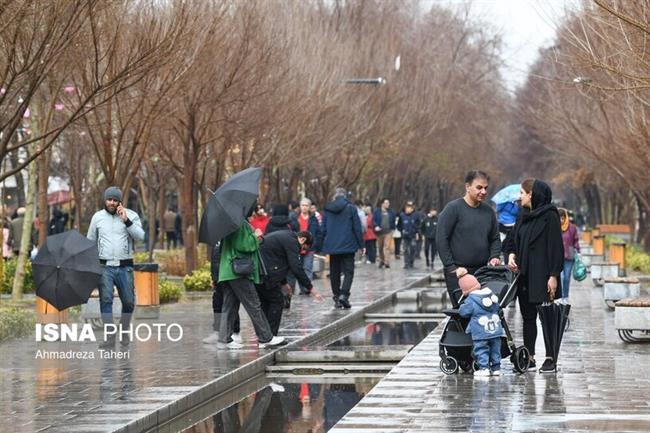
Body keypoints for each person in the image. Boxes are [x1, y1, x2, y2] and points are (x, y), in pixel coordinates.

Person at [505, 178, 564, 373]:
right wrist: (512, 254)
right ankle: (529, 357)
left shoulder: (550, 215)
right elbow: (513, 238)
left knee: (547, 316)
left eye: (522, 193)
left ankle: (550, 358)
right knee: (527, 316)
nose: (519, 196)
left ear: (532, 194)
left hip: (544, 275)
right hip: (525, 274)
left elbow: (556, 247)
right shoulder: (523, 215)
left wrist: (554, 275)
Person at [87, 187, 145, 348]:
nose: (111, 203)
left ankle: (124, 330)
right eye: (109, 199)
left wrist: (126, 220)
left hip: (124, 266)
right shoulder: (97, 217)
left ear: (120, 201)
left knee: (128, 302)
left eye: (115, 200)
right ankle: (110, 337)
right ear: (105, 200)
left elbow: (140, 236)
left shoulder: (131, 215)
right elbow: (90, 241)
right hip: (104, 266)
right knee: (106, 300)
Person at [437, 170, 502, 308]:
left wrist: (494, 256)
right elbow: (441, 238)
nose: (483, 191)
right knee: (463, 314)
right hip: (460, 273)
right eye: (479, 187)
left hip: (483, 272)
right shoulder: (453, 209)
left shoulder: (488, 211)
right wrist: (452, 268)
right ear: (467, 187)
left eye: (485, 188)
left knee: (483, 313)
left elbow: (495, 238)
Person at [217, 219, 285, 349]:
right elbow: (243, 245)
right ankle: (266, 337)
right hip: (238, 271)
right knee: (253, 304)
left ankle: (224, 338)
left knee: (229, 305)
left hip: (228, 270)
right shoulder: (238, 223)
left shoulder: (228, 222)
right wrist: (256, 235)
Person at [258, 230, 321, 334]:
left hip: (261, 270)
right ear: (303, 240)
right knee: (277, 300)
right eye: (304, 248)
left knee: (266, 303)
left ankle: (263, 336)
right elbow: (296, 267)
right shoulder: (293, 242)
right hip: (266, 272)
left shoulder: (287, 235)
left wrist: (284, 283)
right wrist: (311, 288)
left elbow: (279, 259)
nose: (301, 251)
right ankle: (270, 336)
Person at [321, 187, 364, 309]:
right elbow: (357, 228)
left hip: (332, 246)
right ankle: (344, 295)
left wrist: (321, 245)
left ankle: (336, 296)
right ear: (345, 196)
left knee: (334, 272)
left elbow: (323, 229)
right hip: (348, 245)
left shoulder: (328, 209)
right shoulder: (351, 208)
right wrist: (361, 245)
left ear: (335, 196)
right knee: (349, 272)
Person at [458, 274, 504, 377]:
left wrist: (462, 306)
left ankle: (484, 368)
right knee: (495, 349)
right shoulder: (491, 296)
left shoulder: (471, 300)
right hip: (496, 331)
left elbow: (463, 312)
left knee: (481, 349)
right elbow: (498, 308)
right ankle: (496, 368)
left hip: (480, 332)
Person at [202, 241, 241, 344]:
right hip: (218, 277)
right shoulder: (216, 240)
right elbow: (214, 260)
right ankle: (217, 331)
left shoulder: (231, 236)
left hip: (229, 275)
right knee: (217, 303)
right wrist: (213, 277)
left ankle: (234, 332)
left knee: (231, 304)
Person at [295, 198, 322, 295]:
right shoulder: (295, 218)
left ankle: (307, 288)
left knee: (308, 268)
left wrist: (315, 244)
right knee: (299, 269)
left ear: (310, 207)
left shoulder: (314, 219)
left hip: (310, 248)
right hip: (297, 248)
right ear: (300, 206)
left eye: (306, 205)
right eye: (303, 205)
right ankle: (302, 288)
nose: (304, 207)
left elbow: (318, 233)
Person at [559, 208, 580, 303]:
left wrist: (578, 251)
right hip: (558, 257)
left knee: (566, 277)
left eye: (562, 218)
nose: (561, 220)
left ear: (566, 218)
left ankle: (565, 296)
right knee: (561, 277)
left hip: (569, 256)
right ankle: (560, 296)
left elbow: (576, 240)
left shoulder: (572, 228)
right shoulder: (554, 227)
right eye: (559, 218)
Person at [372, 199, 396, 269]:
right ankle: (381, 260)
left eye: (388, 203)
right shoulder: (377, 212)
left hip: (388, 232)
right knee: (380, 248)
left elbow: (393, 220)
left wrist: (393, 228)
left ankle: (387, 262)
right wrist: (376, 226)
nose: (388, 204)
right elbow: (374, 220)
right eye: (386, 203)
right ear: (382, 204)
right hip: (379, 232)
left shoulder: (391, 212)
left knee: (387, 247)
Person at [397, 201, 421, 269]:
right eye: (407, 208)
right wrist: (401, 231)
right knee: (405, 250)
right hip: (405, 236)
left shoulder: (416, 215)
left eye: (410, 208)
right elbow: (399, 225)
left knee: (412, 249)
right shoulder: (402, 215)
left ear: (412, 209)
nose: (408, 209)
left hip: (413, 235)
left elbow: (419, 225)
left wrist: (417, 233)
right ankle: (406, 263)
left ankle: (411, 262)